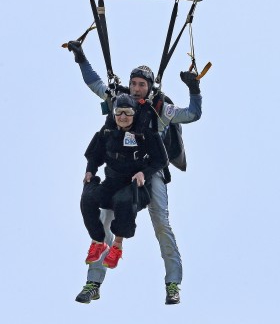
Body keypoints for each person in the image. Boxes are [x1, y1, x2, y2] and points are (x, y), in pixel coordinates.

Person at [68, 41, 202, 305]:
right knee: (104, 219)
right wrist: (81, 57)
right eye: (134, 84)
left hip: (151, 171)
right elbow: (94, 83)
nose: (137, 89)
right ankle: (93, 283)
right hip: (119, 174)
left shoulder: (161, 108)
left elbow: (193, 114)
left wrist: (194, 88)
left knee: (161, 224)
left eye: (142, 85)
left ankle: (173, 283)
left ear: (150, 87)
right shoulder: (120, 100)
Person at [81, 93, 168, 270]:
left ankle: (117, 245)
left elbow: (161, 160)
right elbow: (94, 155)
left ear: (134, 113)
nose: (122, 117)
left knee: (123, 201)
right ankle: (98, 242)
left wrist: (144, 173)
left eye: (127, 112)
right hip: (111, 182)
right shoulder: (107, 132)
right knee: (87, 198)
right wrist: (90, 171)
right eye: (119, 112)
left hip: (136, 188)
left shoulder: (145, 133)